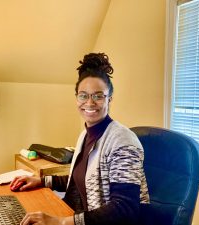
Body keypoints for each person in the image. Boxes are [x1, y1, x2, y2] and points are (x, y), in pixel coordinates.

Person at [10, 53, 149, 225]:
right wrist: (41, 180)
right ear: (77, 98)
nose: (90, 103)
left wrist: (61, 222)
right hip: (75, 214)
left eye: (98, 96)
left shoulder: (123, 141)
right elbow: (82, 178)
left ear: (110, 99)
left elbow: (125, 209)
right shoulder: (85, 134)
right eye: (83, 95)